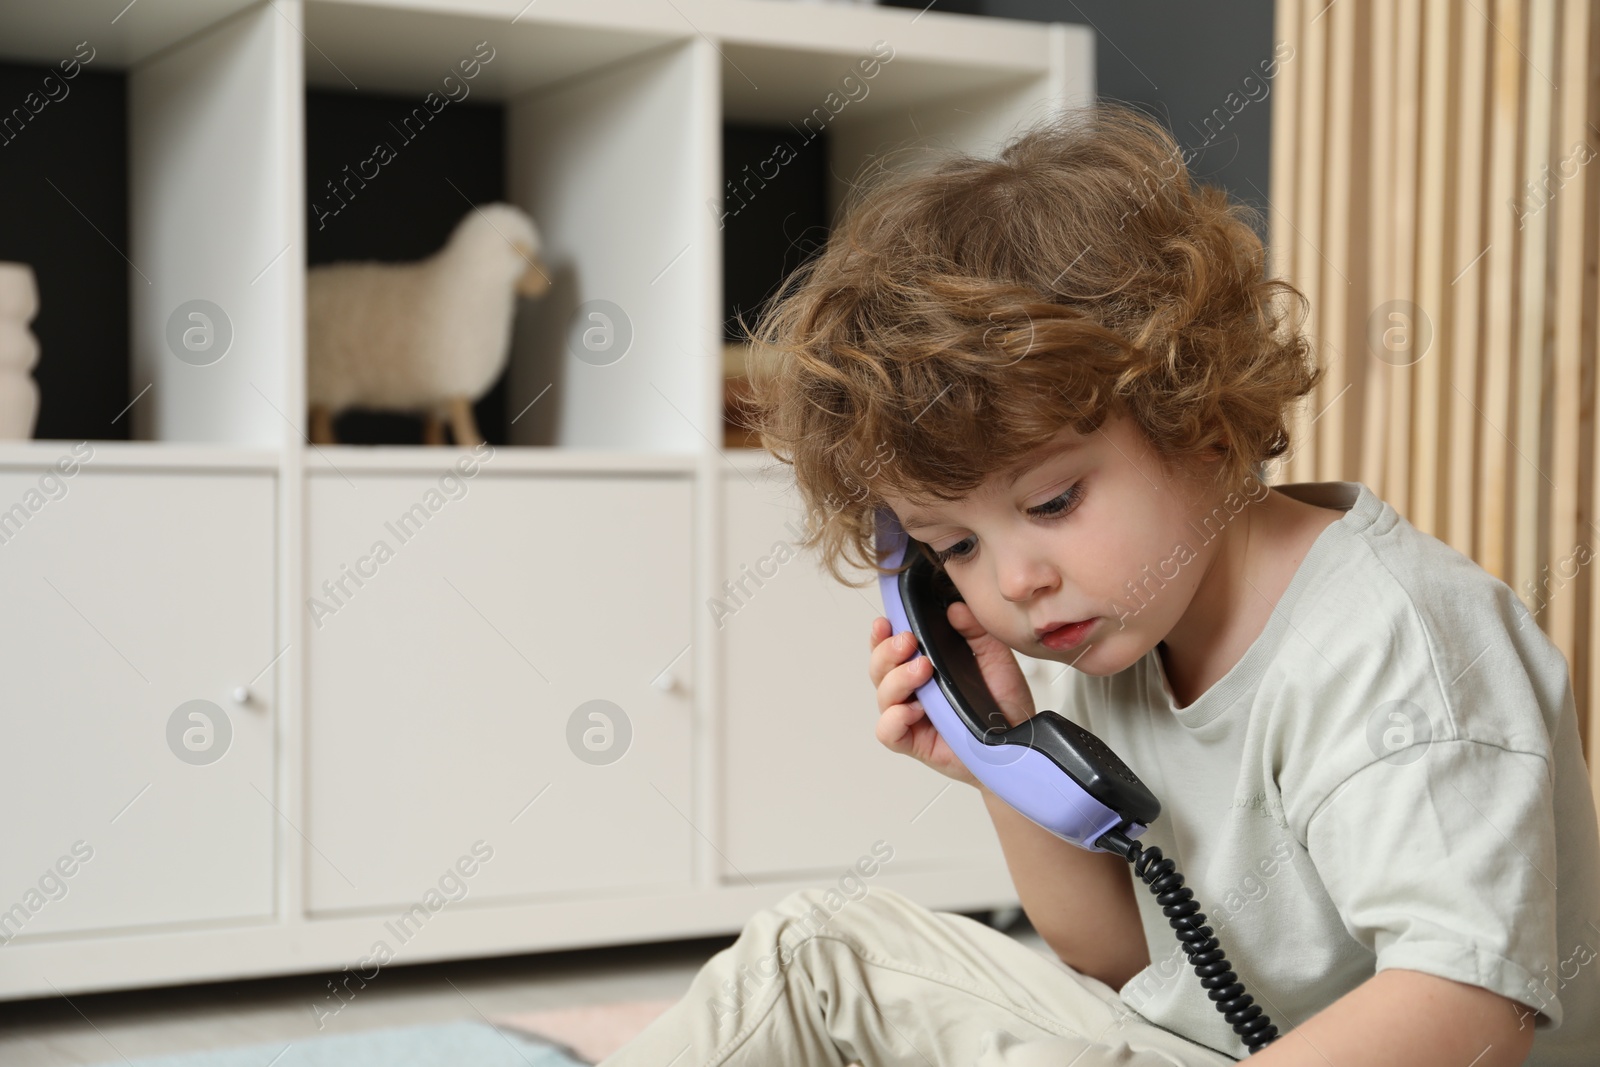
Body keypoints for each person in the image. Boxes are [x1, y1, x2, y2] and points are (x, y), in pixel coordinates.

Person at [598, 104, 1600, 1066]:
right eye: (954, 547)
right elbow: (1120, 958)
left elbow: (1467, 1003)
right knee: (830, 988)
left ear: (1197, 415)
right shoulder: (1114, 624)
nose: (1015, 581)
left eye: (1051, 501)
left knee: (815, 960)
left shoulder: (1397, 637)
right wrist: (1003, 752)